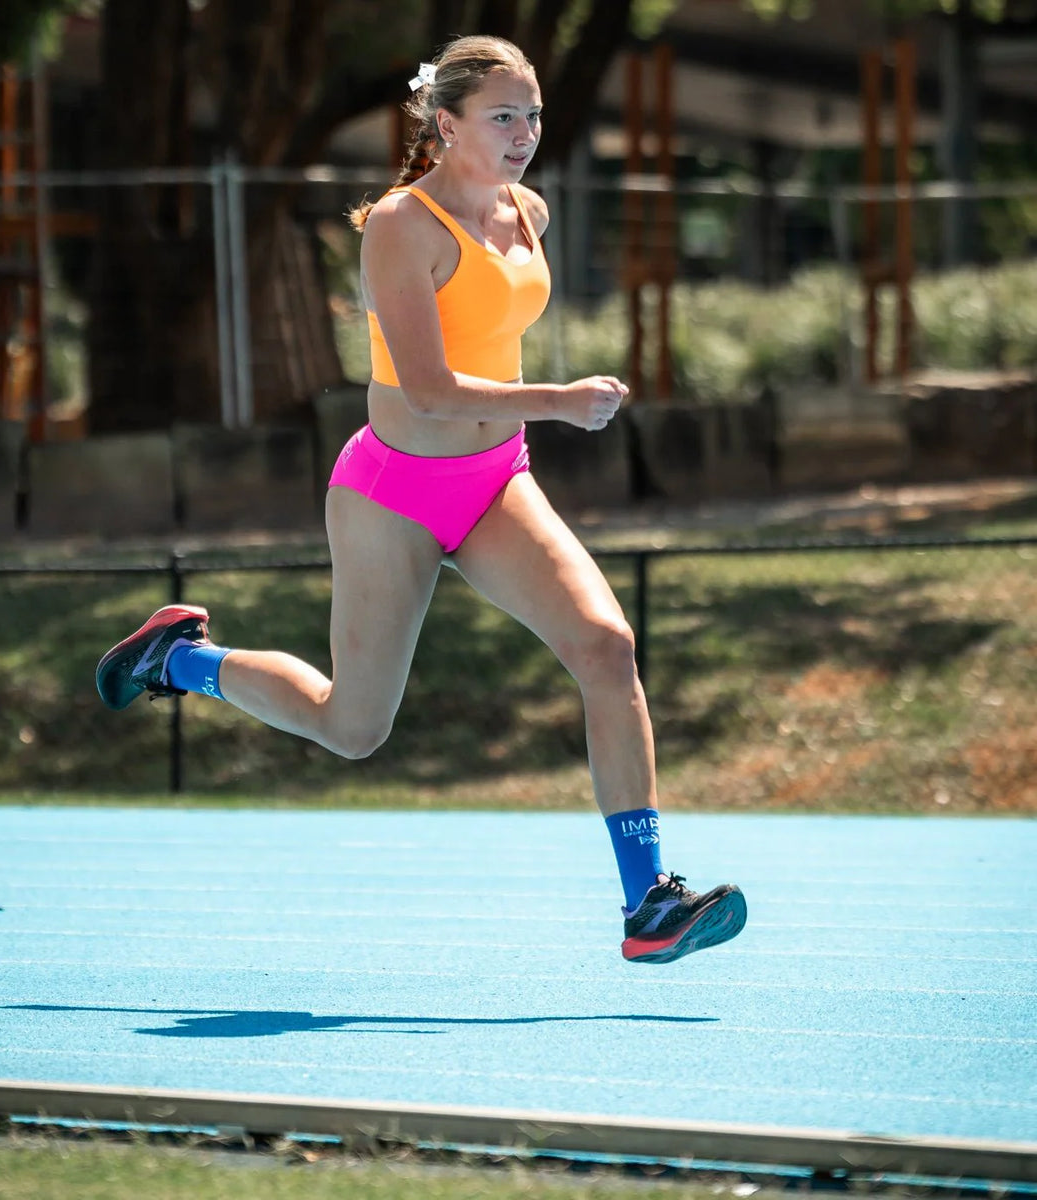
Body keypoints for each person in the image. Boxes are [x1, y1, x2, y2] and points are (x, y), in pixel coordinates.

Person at [96, 35, 745, 964]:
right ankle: (182, 661)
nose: (524, 135)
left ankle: (648, 904)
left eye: (533, 116)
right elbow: (431, 388)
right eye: (502, 117)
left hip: (497, 484)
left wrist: (531, 423)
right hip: (391, 494)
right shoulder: (399, 224)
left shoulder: (531, 213)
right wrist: (559, 403)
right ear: (447, 124)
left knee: (607, 649)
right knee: (352, 729)